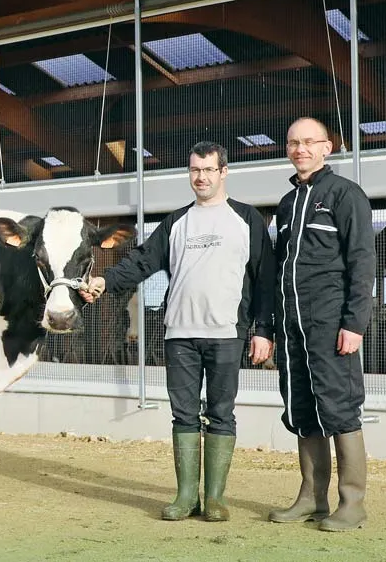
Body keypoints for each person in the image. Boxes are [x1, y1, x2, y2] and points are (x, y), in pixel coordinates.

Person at [84, 141, 274, 522]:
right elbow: (141, 261)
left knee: (221, 414)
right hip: (179, 335)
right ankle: (186, 496)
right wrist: (106, 280)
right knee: (183, 415)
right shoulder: (175, 223)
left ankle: (215, 499)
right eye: (194, 170)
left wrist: (262, 330)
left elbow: (265, 278)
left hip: (227, 332)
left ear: (223, 172)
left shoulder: (247, 219)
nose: (200, 177)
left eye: (208, 170)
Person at [268, 117, 376, 532]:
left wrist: (355, 323)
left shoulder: (346, 195)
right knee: (300, 408)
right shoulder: (286, 204)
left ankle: (352, 503)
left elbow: (363, 264)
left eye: (309, 142)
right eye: (293, 142)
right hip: (292, 326)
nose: (300, 149)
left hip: (332, 325)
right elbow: (282, 268)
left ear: (327, 147)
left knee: (339, 406)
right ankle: (312, 497)